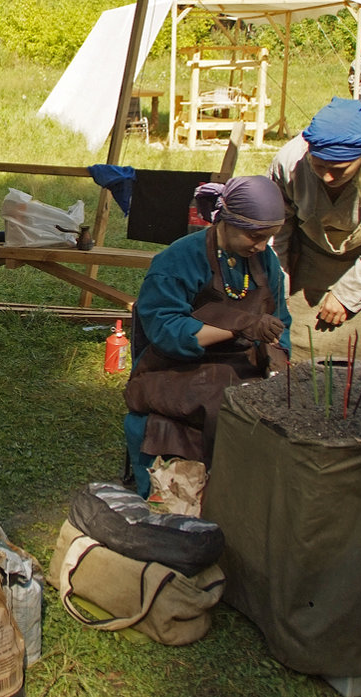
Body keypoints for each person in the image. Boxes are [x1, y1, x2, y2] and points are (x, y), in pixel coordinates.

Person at [123, 176, 291, 497]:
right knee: (220, 407)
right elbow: (166, 331)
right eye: (254, 236)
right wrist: (238, 326)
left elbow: (281, 318)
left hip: (241, 367)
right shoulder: (178, 260)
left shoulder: (263, 261)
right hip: (175, 367)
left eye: (269, 237)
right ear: (226, 221)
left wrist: (277, 346)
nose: (260, 246)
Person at [267, 96, 361, 366]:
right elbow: (277, 230)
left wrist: (347, 296)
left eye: (339, 169)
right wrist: (278, 285)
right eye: (319, 165)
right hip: (309, 262)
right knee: (297, 361)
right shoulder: (289, 163)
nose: (326, 177)